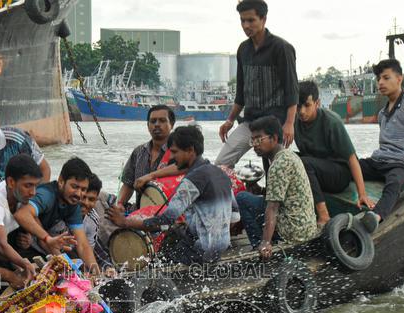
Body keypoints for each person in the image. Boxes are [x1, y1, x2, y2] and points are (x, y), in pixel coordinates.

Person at [108, 126, 237, 265]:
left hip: (199, 251)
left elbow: (165, 221)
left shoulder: (193, 180)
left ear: (190, 150)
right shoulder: (221, 174)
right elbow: (235, 216)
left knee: (158, 252)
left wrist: (125, 222)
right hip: (220, 248)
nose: (171, 157)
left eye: (175, 152)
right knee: (179, 229)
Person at [216, 0, 299, 168]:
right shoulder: (243, 50)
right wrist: (230, 120)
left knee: (279, 169)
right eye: (242, 20)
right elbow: (241, 92)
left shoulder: (281, 48)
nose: (246, 25)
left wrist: (289, 124)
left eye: (251, 20)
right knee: (220, 164)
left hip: (276, 123)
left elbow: (292, 89)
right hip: (251, 122)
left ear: (263, 19)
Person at [353, 59, 404, 231]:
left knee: (395, 183)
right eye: (379, 79)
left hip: (400, 164)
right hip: (378, 160)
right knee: (351, 166)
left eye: (386, 78)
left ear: (399, 79)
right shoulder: (382, 113)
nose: (380, 82)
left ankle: (375, 216)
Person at [235, 117, 319, 259]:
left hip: (293, 230)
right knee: (254, 199)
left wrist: (266, 242)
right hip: (304, 227)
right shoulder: (288, 155)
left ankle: (260, 246)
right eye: (252, 140)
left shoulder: (278, 165)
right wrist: (261, 191)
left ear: (274, 138)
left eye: (258, 139)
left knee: (242, 198)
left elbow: (272, 207)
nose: (254, 145)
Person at [294, 80, 376, 224]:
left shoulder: (331, 122)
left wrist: (362, 194)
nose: (301, 111)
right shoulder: (294, 121)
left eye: (307, 105)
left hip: (339, 175)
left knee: (304, 163)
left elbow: (352, 159)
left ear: (317, 103)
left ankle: (324, 215)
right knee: (288, 158)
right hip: (317, 170)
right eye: (298, 106)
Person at [13, 157, 100, 275]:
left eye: (83, 189)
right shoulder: (46, 195)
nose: (79, 194)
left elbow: (83, 245)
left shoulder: (72, 203)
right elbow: (22, 214)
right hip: (18, 246)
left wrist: (97, 276)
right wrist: (48, 239)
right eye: (74, 187)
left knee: (76, 268)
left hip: (45, 246)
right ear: (61, 181)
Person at [0, 153, 42, 281]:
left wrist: (30, 238)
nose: (33, 192)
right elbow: (0, 245)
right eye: (28, 185)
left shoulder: (21, 196)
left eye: (35, 186)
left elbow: (37, 226)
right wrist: (23, 264)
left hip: (5, 247)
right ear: (11, 182)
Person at [116, 105, 176, 208]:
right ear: (148, 125)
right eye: (153, 121)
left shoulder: (178, 152)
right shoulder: (138, 152)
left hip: (167, 214)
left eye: (162, 120)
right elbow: (128, 184)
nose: (157, 124)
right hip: (140, 212)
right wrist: (120, 204)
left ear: (172, 124)